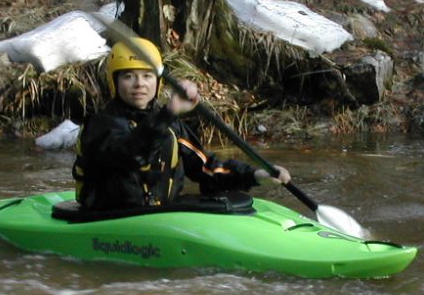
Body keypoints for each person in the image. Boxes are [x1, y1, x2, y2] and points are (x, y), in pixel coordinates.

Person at [72, 38, 290, 210]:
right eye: (129, 76)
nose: (139, 84)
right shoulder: (100, 125)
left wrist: (254, 176)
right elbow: (131, 154)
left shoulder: (169, 125)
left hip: (159, 214)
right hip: (110, 217)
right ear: (115, 81)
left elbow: (205, 168)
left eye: (147, 76)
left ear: (157, 82)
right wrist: (168, 112)